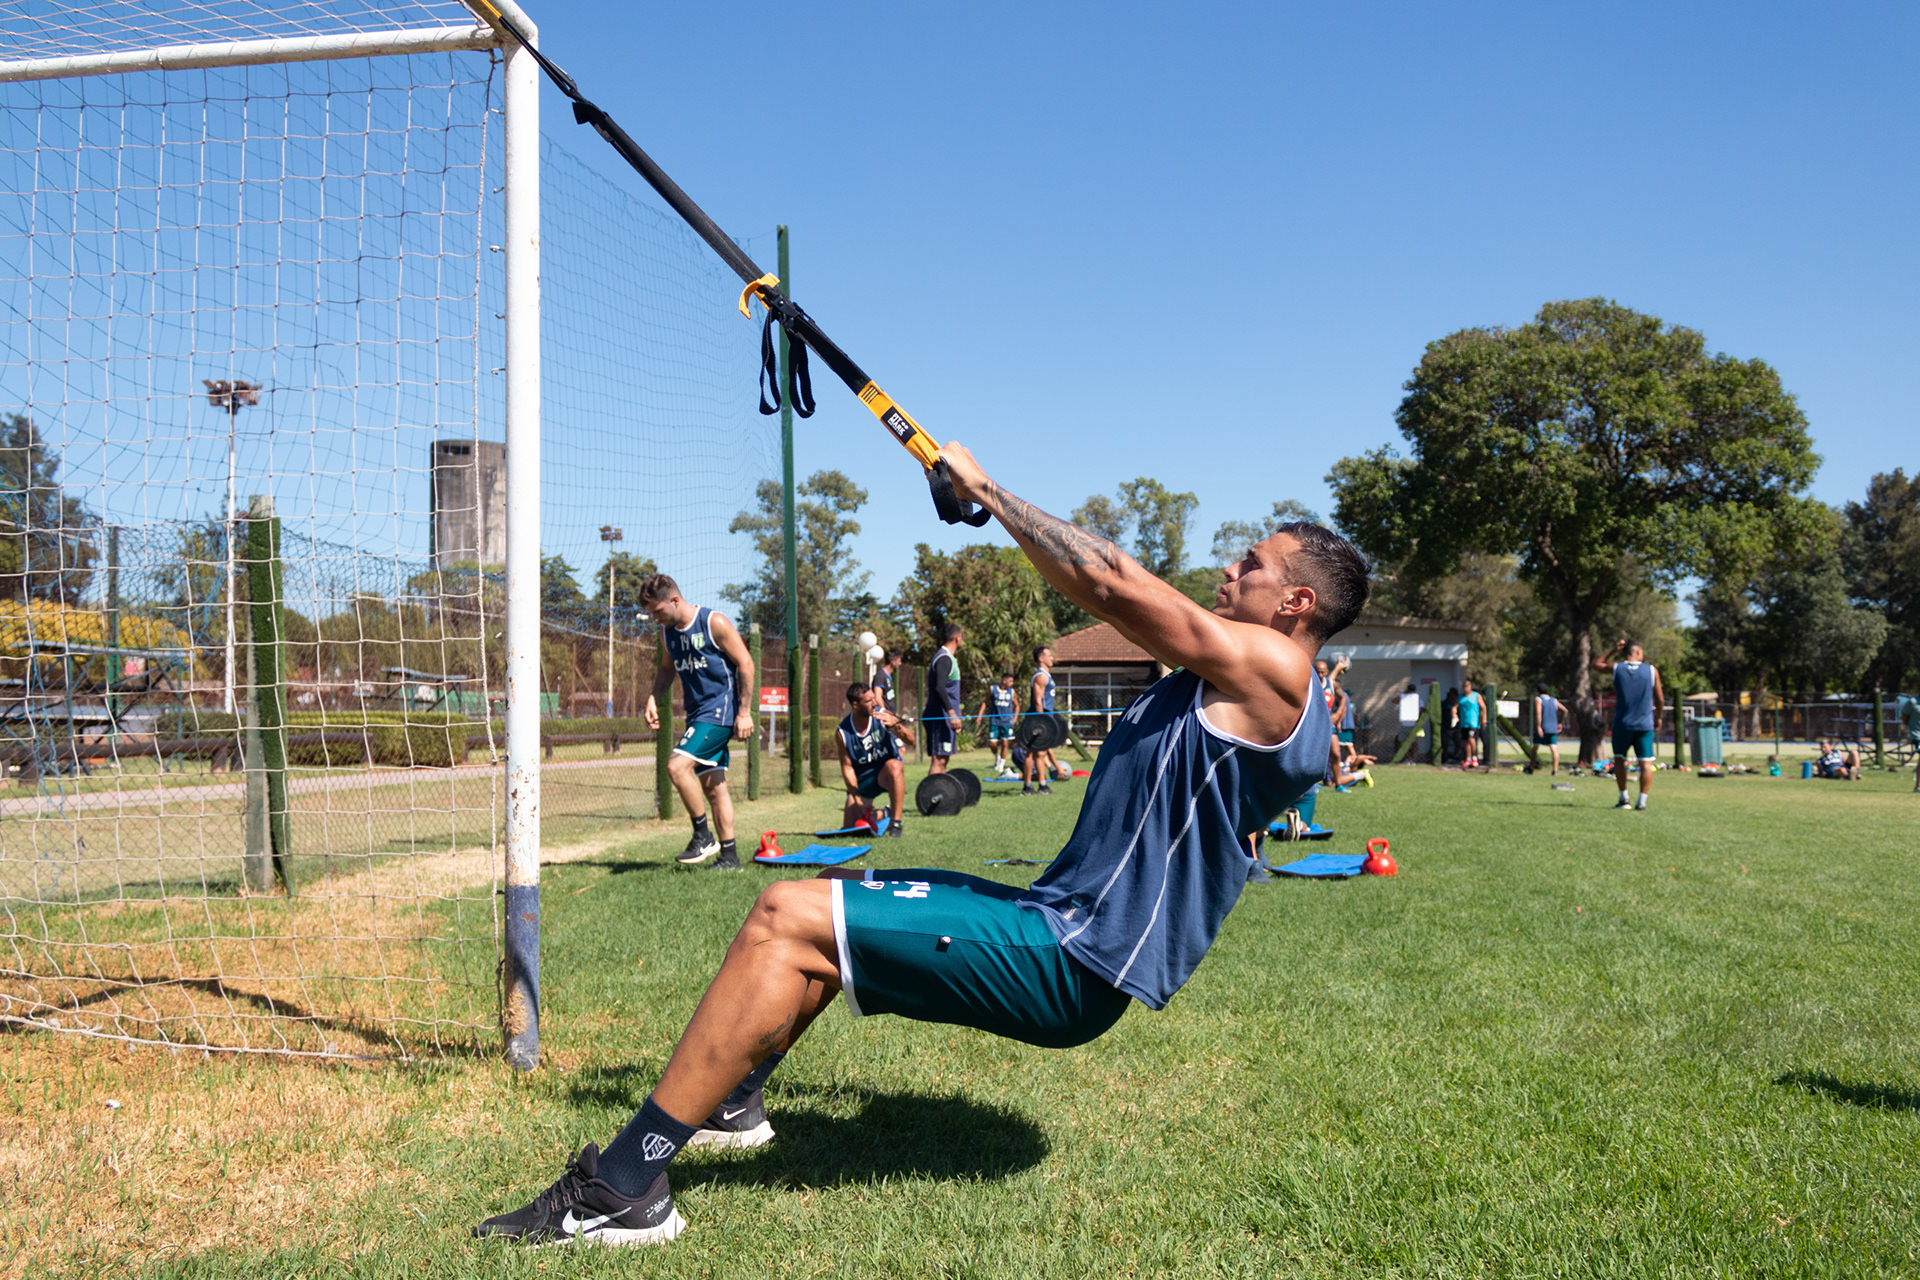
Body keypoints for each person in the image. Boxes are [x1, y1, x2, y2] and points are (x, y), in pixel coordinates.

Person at [472, 441, 1370, 1248]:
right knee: (835, 912)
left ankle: (623, 1188)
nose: (1228, 568)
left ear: (1296, 602)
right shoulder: (1252, 686)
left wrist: (991, 492)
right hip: (1054, 924)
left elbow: (1115, 582)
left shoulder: (1279, 670)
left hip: (1071, 958)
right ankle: (732, 1099)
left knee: (785, 912)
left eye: (1250, 564)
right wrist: (985, 507)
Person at [641, 575, 755, 870]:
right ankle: (730, 857)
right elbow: (667, 670)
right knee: (714, 786)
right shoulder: (667, 634)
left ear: (675, 600)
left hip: (720, 713)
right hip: (697, 714)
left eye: (658, 611)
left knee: (676, 767)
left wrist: (744, 712)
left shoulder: (713, 622)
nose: (655, 618)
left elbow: (745, 663)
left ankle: (702, 835)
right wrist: (653, 696)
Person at [1593, 637, 1664, 810]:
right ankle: (1642, 802)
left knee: (1619, 761)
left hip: (1622, 724)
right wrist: (1659, 717)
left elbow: (1596, 665)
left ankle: (1624, 799)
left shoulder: (1617, 668)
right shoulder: (1651, 671)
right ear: (1638, 652)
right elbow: (1660, 699)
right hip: (1644, 725)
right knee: (1646, 764)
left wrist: (1613, 651)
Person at [835, 683, 909, 836]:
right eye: (869, 701)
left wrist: (896, 725)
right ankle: (884, 813)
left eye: (874, 699)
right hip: (864, 782)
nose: (875, 703)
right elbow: (847, 768)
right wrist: (857, 799)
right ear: (855, 705)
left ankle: (895, 823)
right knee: (851, 829)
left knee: (894, 766)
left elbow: (911, 740)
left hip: (886, 774)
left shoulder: (882, 715)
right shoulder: (843, 732)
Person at [922, 625, 963, 775]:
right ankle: (930, 797)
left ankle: (941, 797)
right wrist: (952, 713)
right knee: (938, 760)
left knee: (943, 760)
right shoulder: (944, 658)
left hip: (946, 718)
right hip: (939, 718)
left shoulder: (948, 658)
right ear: (957, 638)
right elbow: (940, 687)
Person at [1022, 644, 1061, 796]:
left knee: (1040, 753)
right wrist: (1041, 722)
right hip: (1037, 720)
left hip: (1044, 719)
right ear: (1041, 658)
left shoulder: (1046, 676)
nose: (1052, 658)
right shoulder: (1041, 676)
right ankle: (1027, 787)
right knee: (1031, 753)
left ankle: (1042, 786)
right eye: (1049, 655)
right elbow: (1038, 701)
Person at [975, 673, 1020, 779]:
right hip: (995, 721)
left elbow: (1017, 705)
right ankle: (997, 757)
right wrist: (979, 716)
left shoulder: (1012, 692)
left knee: (1005, 743)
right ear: (1004, 680)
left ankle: (1001, 764)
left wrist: (1015, 718)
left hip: (1007, 722)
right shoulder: (993, 689)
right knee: (992, 743)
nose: (1012, 683)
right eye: (1010, 681)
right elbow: (985, 702)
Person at [1533, 683, 1568, 776]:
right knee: (1554, 749)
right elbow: (1565, 710)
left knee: (1534, 748)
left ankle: (1531, 768)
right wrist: (1560, 723)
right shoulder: (1553, 700)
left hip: (1543, 728)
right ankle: (1555, 770)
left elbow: (1538, 713)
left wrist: (1538, 726)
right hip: (1553, 729)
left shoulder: (1538, 699)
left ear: (1538, 691)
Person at [1458, 678, 1485, 769]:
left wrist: (1483, 719)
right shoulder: (1461, 697)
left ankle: (1474, 757)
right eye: (1464, 687)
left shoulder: (1476, 695)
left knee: (1471, 739)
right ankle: (1468, 758)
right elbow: (1455, 707)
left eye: (1467, 686)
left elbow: (1483, 707)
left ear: (1470, 687)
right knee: (1466, 741)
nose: (1465, 688)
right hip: (1463, 723)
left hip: (1473, 723)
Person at [872, 648, 904, 716]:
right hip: (884, 718)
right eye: (899, 661)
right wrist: (885, 712)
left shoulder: (888, 677)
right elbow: (877, 697)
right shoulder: (880, 676)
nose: (900, 664)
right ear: (893, 661)